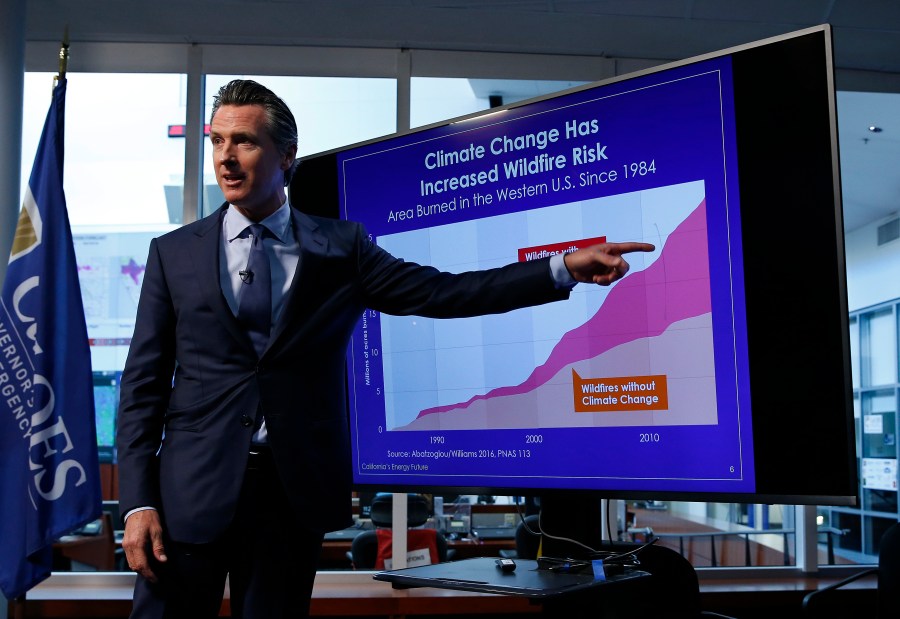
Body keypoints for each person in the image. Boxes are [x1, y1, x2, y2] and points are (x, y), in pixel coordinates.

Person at [116, 79, 654, 618]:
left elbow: (447, 291)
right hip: (186, 496)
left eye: (245, 142)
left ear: (286, 156)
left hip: (290, 495)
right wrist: (137, 502)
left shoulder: (341, 249)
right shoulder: (171, 255)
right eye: (217, 141)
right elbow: (142, 387)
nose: (226, 158)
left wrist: (560, 268)